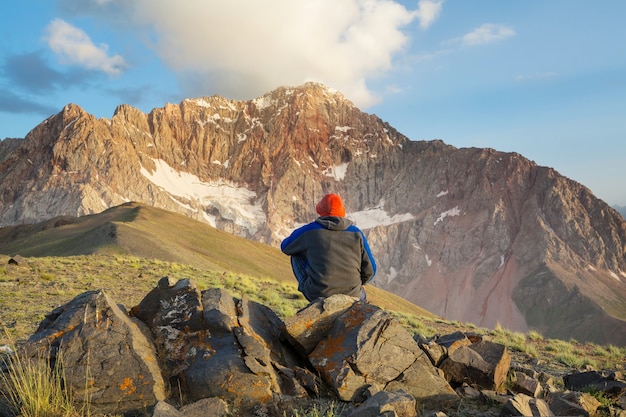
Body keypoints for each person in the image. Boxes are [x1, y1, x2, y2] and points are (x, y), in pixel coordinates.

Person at [280, 193, 377, 302]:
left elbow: (286, 247)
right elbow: (371, 270)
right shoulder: (356, 233)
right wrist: (360, 283)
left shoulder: (309, 231)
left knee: (295, 253)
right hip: (354, 296)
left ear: (320, 211)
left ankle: (315, 298)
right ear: (342, 212)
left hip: (318, 294)